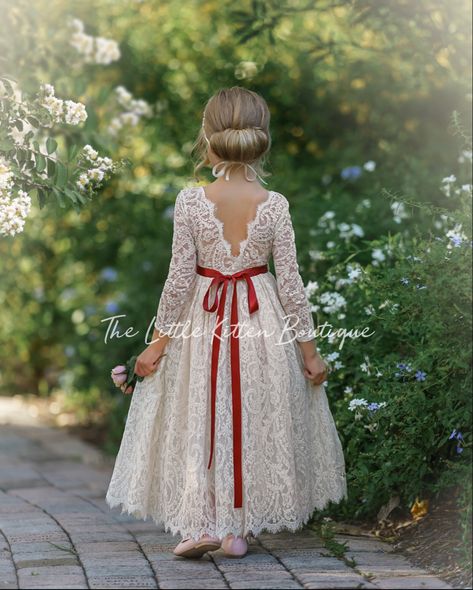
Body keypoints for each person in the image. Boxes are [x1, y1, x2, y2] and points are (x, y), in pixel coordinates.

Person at [105, 86, 348, 559]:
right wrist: (309, 352)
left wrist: (156, 344)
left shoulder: (192, 202)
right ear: (262, 138)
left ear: (208, 137)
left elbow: (178, 281)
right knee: (251, 414)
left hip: (204, 317)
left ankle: (208, 522)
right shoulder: (274, 204)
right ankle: (235, 531)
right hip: (261, 318)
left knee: (203, 410)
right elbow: (291, 283)